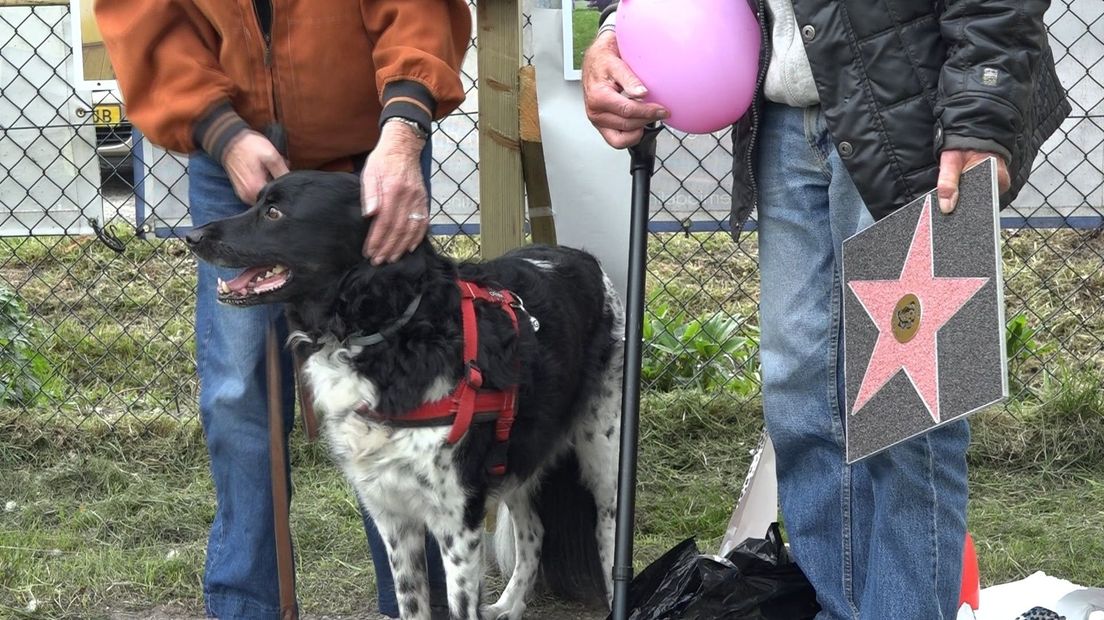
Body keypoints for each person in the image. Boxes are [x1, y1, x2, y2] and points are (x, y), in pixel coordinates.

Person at [583, 1, 1068, 619]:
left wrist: (983, 114)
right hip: (782, 123)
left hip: (919, 111)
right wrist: (613, 32)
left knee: (912, 411)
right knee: (799, 401)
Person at [94, 2, 472, 618]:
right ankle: (248, 605)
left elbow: (417, 11)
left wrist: (404, 127)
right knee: (239, 391)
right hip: (233, 158)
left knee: (408, 386)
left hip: (371, 157)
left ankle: (423, 606)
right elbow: (145, 20)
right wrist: (221, 131)